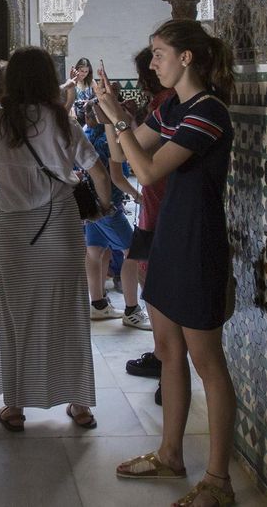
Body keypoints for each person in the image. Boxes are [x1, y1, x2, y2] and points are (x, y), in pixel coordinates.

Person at [94, 19, 238, 507]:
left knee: (207, 361)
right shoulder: (173, 106)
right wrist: (111, 112)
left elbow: (149, 169)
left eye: (159, 53)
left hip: (199, 242)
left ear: (186, 58)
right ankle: (170, 454)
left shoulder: (208, 111)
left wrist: (120, 123)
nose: (153, 62)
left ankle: (218, 481)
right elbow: (124, 152)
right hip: (168, 237)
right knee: (167, 350)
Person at [0, 47, 112, 432]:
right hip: (61, 227)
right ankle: (80, 404)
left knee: (16, 315)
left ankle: (15, 406)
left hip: (14, 232)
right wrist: (102, 207)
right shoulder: (62, 122)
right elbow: (98, 172)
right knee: (69, 313)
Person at [124, 46, 174, 384]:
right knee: (150, 279)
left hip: (162, 208)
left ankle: (165, 358)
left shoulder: (169, 105)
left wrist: (119, 121)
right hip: (157, 206)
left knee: (157, 285)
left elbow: (138, 160)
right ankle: (163, 356)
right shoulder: (165, 104)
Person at [80, 100, 146, 328]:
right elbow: (117, 178)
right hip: (108, 206)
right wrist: (137, 195)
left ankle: (98, 304)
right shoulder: (108, 141)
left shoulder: (86, 135)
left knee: (96, 251)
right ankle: (132, 309)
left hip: (90, 206)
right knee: (132, 252)